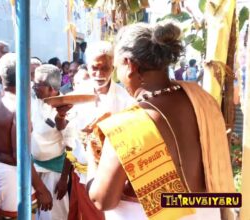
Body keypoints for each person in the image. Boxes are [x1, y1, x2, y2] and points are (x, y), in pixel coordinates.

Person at [86, 22, 235, 219]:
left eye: (117, 67)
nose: (118, 75)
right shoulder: (202, 99)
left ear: (130, 65)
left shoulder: (127, 125)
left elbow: (102, 200)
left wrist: (91, 153)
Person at [65, 41, 135, 220]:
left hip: (111, 177)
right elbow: (66, 133)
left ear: (113, 67)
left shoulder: (125, 100)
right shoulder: (76, 95)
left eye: (104, 68)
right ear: (88, 66)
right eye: (94, 68)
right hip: (82, 173)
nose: (99, 74)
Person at [0, 53, 53, 219]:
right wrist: (42, 189)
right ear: (25, 78)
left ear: (0, 77)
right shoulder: (18, 107)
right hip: (13, 178)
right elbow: (20, 157)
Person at [31, 64, 72, 220]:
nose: (34, 86)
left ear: (51, 88)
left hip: (55, 171)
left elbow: (70, 146)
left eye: (38, 84)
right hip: (33, 169)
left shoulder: (66, 108)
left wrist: (63, 180)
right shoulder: (33, 99)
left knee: (53, 215)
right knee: (32, 213)